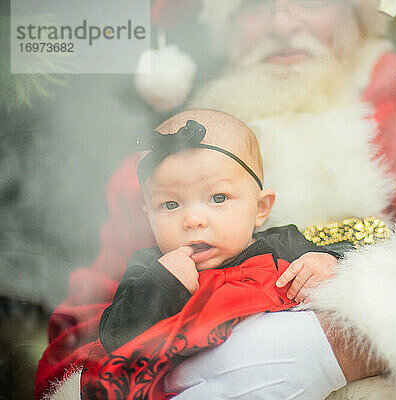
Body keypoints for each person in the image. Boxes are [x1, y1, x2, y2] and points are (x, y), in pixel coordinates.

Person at [35, 0, 396, 399]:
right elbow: (77, 340)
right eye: (253, 6)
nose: (282, 21)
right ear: (224, 27)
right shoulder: (169, 167)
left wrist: (332, 341)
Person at [83, 109, 345, 399]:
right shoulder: (150, 267)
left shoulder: (285, 244)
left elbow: (356, 278)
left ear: (260, 208)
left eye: (218, 198)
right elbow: (115, 336)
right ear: (149, 218)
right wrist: (163, 284)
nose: (194, 219)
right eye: (170, 205)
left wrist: (328, 262)